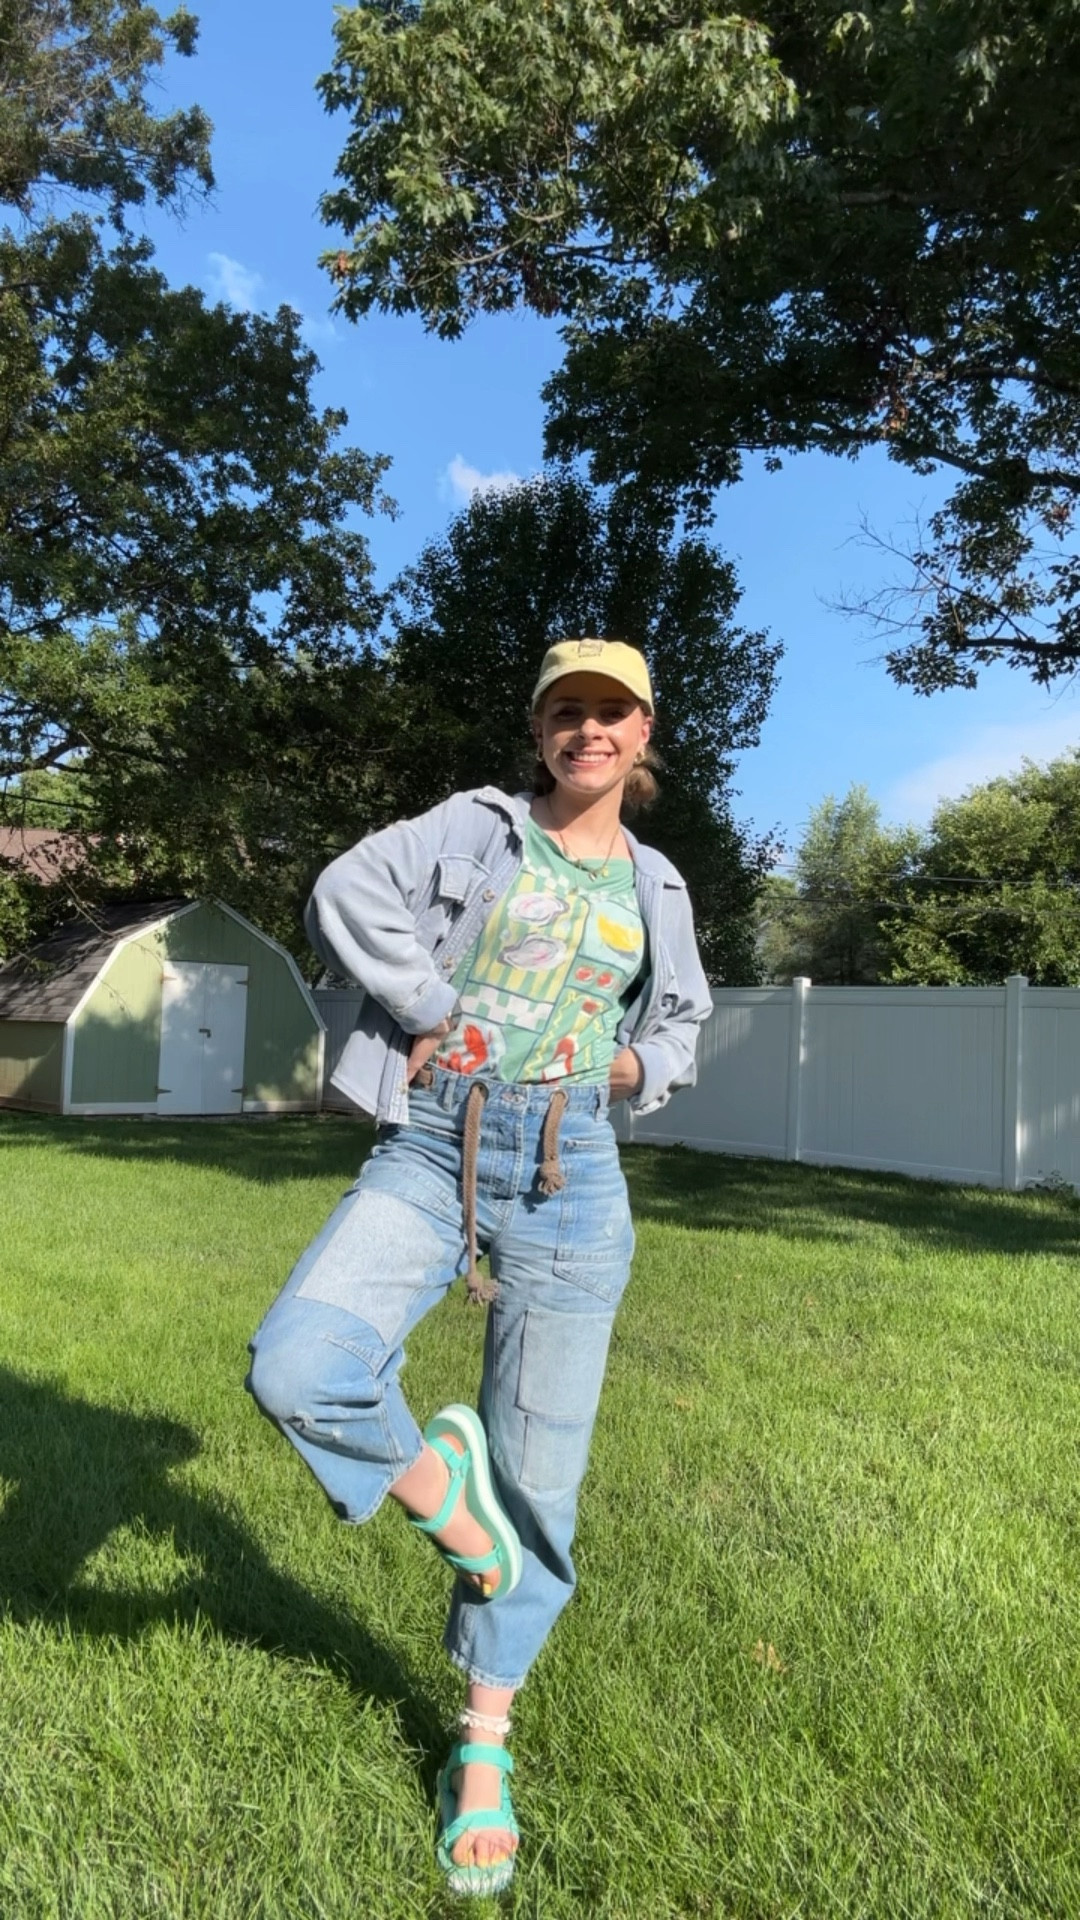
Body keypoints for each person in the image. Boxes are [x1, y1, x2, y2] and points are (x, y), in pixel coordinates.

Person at [246, 638, 712, 1896]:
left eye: (611, 711)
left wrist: (632, 1067)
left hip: (575, 1173)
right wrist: (431, 1007)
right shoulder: (478, 825)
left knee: (542, 1480)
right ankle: (454, 1509)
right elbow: (347, 888)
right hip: (435, 1144)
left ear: (643, 730)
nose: (588, 730)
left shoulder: (659, 884)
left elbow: (680, 1023)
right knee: (301, 1366)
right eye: (567, 710)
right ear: (541, 728)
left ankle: (484, 1746)